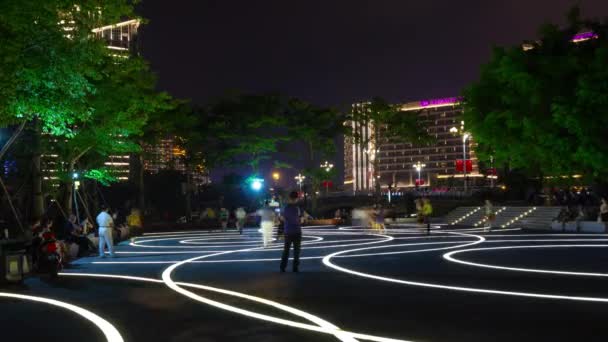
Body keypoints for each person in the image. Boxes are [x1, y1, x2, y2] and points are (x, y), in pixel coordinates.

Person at [280, 191, 303, 273]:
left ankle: (283, 267)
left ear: (289, 197)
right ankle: (295, 268)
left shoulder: (284, 207)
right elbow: (301, 220)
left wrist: (287, 221)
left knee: (286, 250)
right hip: (297, 230)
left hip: (288, 231)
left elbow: (282, 218)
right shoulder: (298, 208)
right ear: (296, 198)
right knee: (296, 250)